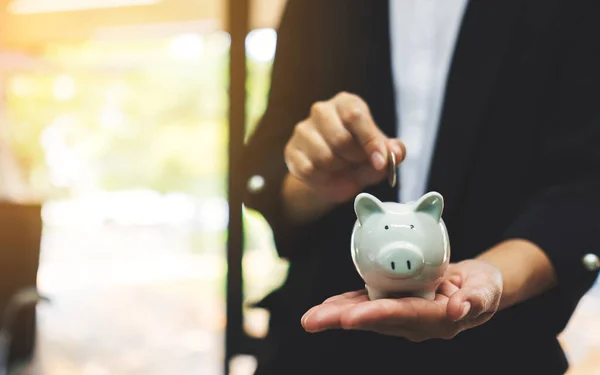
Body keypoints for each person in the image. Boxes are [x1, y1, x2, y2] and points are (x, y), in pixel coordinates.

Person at [242, 1, 600, 374]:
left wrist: (493, 277)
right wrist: (314, 180)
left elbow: (586, 184)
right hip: (318, 349)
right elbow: (264, 167)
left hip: (500, 351)